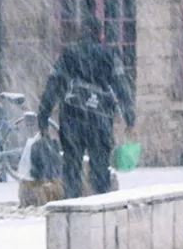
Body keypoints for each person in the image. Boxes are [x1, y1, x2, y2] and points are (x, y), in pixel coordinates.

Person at [37, 15, 135, 199]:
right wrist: (129, 116)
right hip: (100, 119)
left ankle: (72, 205)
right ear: (100, 34)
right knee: (100, 168)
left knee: (71, 166)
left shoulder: (68, 55)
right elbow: (122, 86)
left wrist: (43, 115)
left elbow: (53, 85)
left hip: (71, 120)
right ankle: (100, 205)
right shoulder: (109, 55)